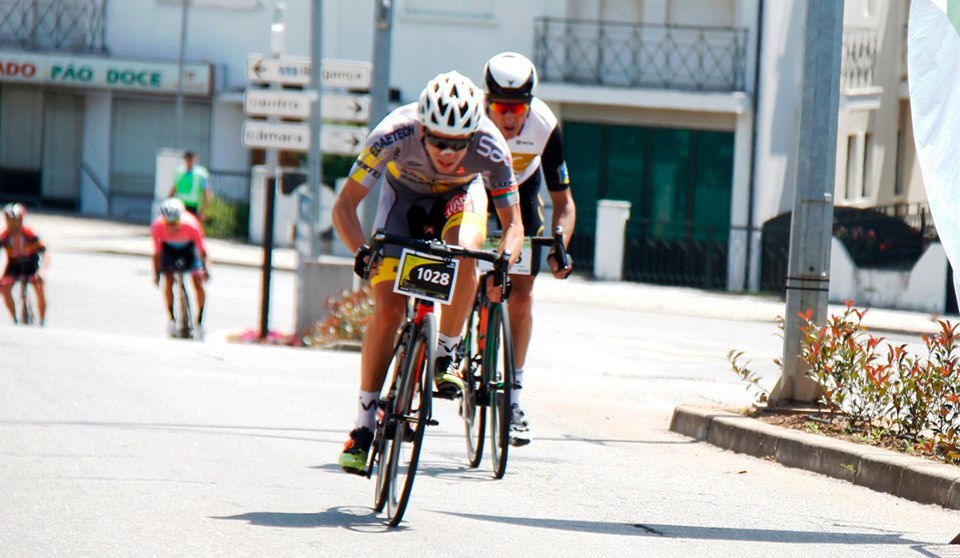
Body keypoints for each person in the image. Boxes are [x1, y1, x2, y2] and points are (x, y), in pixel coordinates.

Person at [332, 71, 524, 474]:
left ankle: (446, 354)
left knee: (468, 251)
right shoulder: (392, 134)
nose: (448, 152)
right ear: (421, 129)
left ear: (473, 135)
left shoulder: (491, 146)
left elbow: (513, 225)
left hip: (459, 198)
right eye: (437, 140)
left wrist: (505, 257)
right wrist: (360, 251)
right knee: (387, 310)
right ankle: (363, 424)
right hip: (402, 202)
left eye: (458, 143)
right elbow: (344, 207)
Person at [482, 52, 577, 447]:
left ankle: (514, 398)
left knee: (521, 297)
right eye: (500, 107)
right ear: (487, 102)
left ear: (529, 104)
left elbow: (565, 204)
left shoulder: (544, 126)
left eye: (517, 108)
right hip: (475, 189)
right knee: (469, 273)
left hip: (521, 193)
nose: (508, 117)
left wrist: (559, 246)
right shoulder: (470, 118)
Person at [151, 198, 209, 338]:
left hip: (189, 249)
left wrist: (205, 270)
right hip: (169, 250)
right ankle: (171, 319)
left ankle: (199, 320)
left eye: (174, 223)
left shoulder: (192, 225)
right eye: (168, 223)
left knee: (198, 282)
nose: (171, 227)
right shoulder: (157, 227)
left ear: (180, 218)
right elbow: (157, 254)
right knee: (168, 280)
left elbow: (202, 252)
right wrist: (156, 273)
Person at [0, 203, 49, 325]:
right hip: (14, 265)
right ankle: (15, 319)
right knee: (4, 288)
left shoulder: (30, 234)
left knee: (40, 288)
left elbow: (46, 254)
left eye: (16, 221)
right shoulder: (4, 237)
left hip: (32, 264)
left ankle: (42, 321)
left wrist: (42, 272)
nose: (13, 225)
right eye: (10, 221)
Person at [168, 151, 213, 221]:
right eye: (187, 159)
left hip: (194, 206)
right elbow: (173, 188)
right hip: (179, 205)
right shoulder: (179, 171)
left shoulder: (201, 173)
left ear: (195, 159)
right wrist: (168, 203)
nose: (189, 161)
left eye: (191, 159)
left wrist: (203, 210)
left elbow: (206, 192)